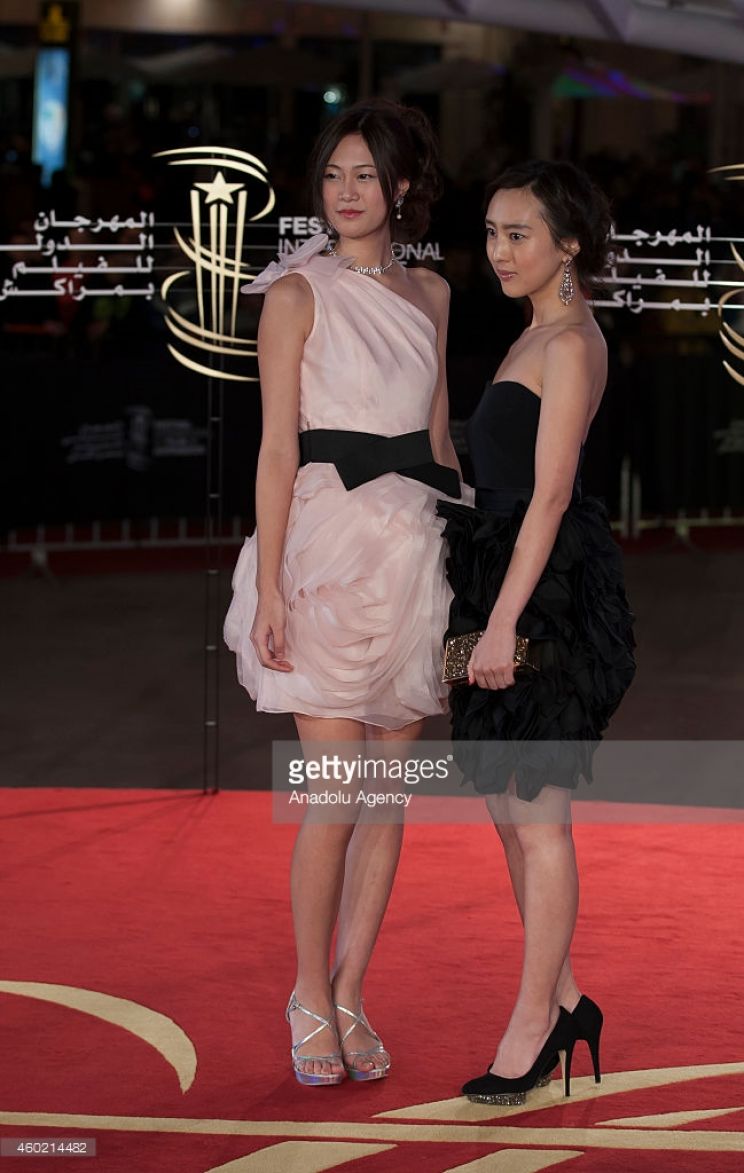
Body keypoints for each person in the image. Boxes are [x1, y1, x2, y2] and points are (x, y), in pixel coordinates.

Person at [224, 98, 462, 1086]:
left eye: (366, 174)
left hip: (413, 548)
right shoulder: (294, 294)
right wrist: (272, 585)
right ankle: (307, 993)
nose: (347, 192)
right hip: (323, 548)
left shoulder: (433, 293)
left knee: (387, 796)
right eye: (333, 175)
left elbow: (439, 439)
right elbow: (276, 448)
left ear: (403, 185)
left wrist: (467, 569)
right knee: (335, 792)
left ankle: (353, 989)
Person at [437, 160, 636, 1104]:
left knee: (539, 820)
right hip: (499, 576)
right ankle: (565, 1000)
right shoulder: (533, 332)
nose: (499, 250)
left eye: (519, 234)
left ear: (569, 242)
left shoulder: (572, 342)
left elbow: (551, 495)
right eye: (491, 232)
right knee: (510, 816)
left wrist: (505, 622)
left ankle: (532, 1028)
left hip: (541, 595)